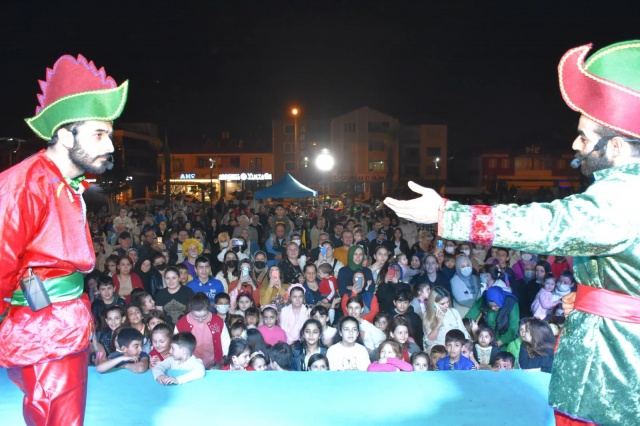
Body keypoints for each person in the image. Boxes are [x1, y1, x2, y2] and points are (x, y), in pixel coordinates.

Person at [385, 40, 640, 426]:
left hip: (612, 365)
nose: (575, 144)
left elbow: (545, 225)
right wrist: (593, 296)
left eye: (585, 137)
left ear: (617, 147)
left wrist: (446, 213)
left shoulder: (621, 196)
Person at [175, 293, 230, 369]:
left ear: (209, 309)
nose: (200, 319)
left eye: (204, 316)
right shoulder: (182, 323)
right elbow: (176, 346)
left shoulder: (218, 322)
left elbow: (226, 343)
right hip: (189, 365)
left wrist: (224, 360)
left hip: (213, 365)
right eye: (196, 316)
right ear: (191, 311)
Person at [423, 287, 469, 352]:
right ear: (434, 304)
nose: (446, 305)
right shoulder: (427, 315)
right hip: (438, 350)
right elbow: (429, 341)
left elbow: (463, 332)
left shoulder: (454, 312)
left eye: (447, 302)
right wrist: (438, 323)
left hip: (455, 349)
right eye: (442, 304)